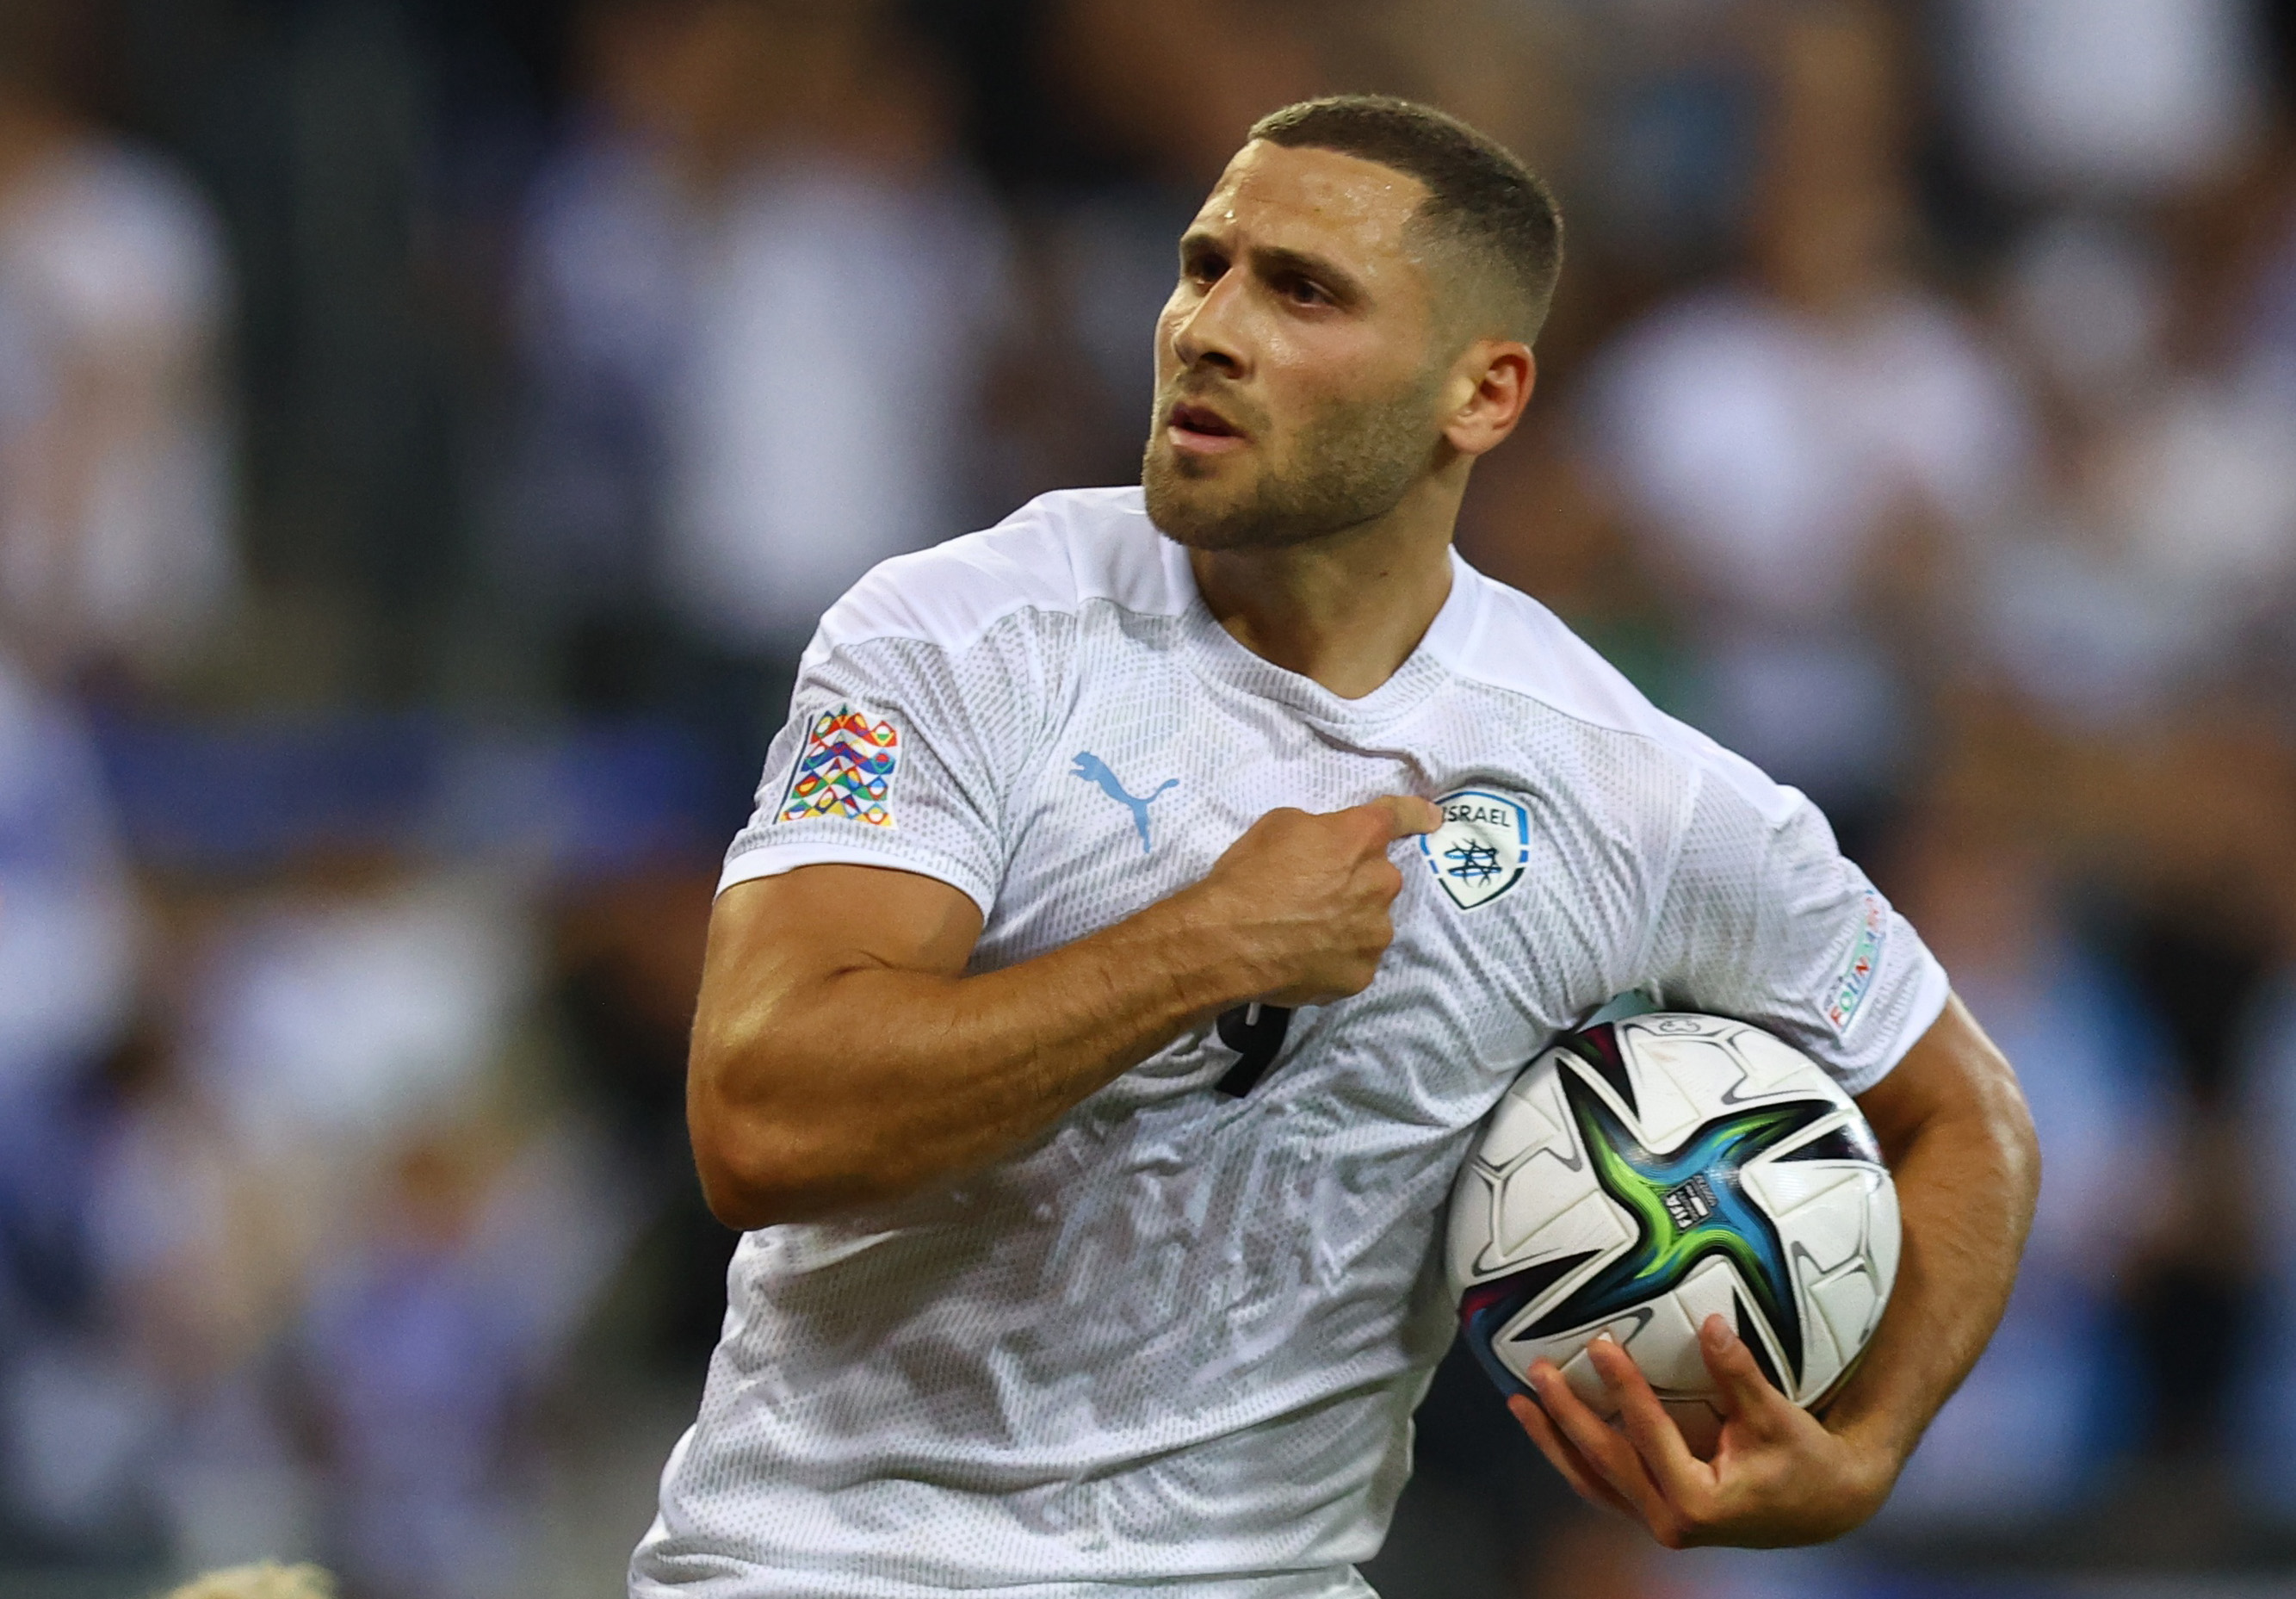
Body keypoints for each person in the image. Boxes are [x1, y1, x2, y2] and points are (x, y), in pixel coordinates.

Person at [633, 96, 2039, 1596]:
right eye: (1205, 265)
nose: (1205, 328)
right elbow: (762, 1118)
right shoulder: (965, 636)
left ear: (1483, 395)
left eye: (1301, 290)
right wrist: (1197, 948)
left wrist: (1867, 1446)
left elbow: (1969, 1115)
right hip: (830, 1566)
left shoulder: (1630, 790)